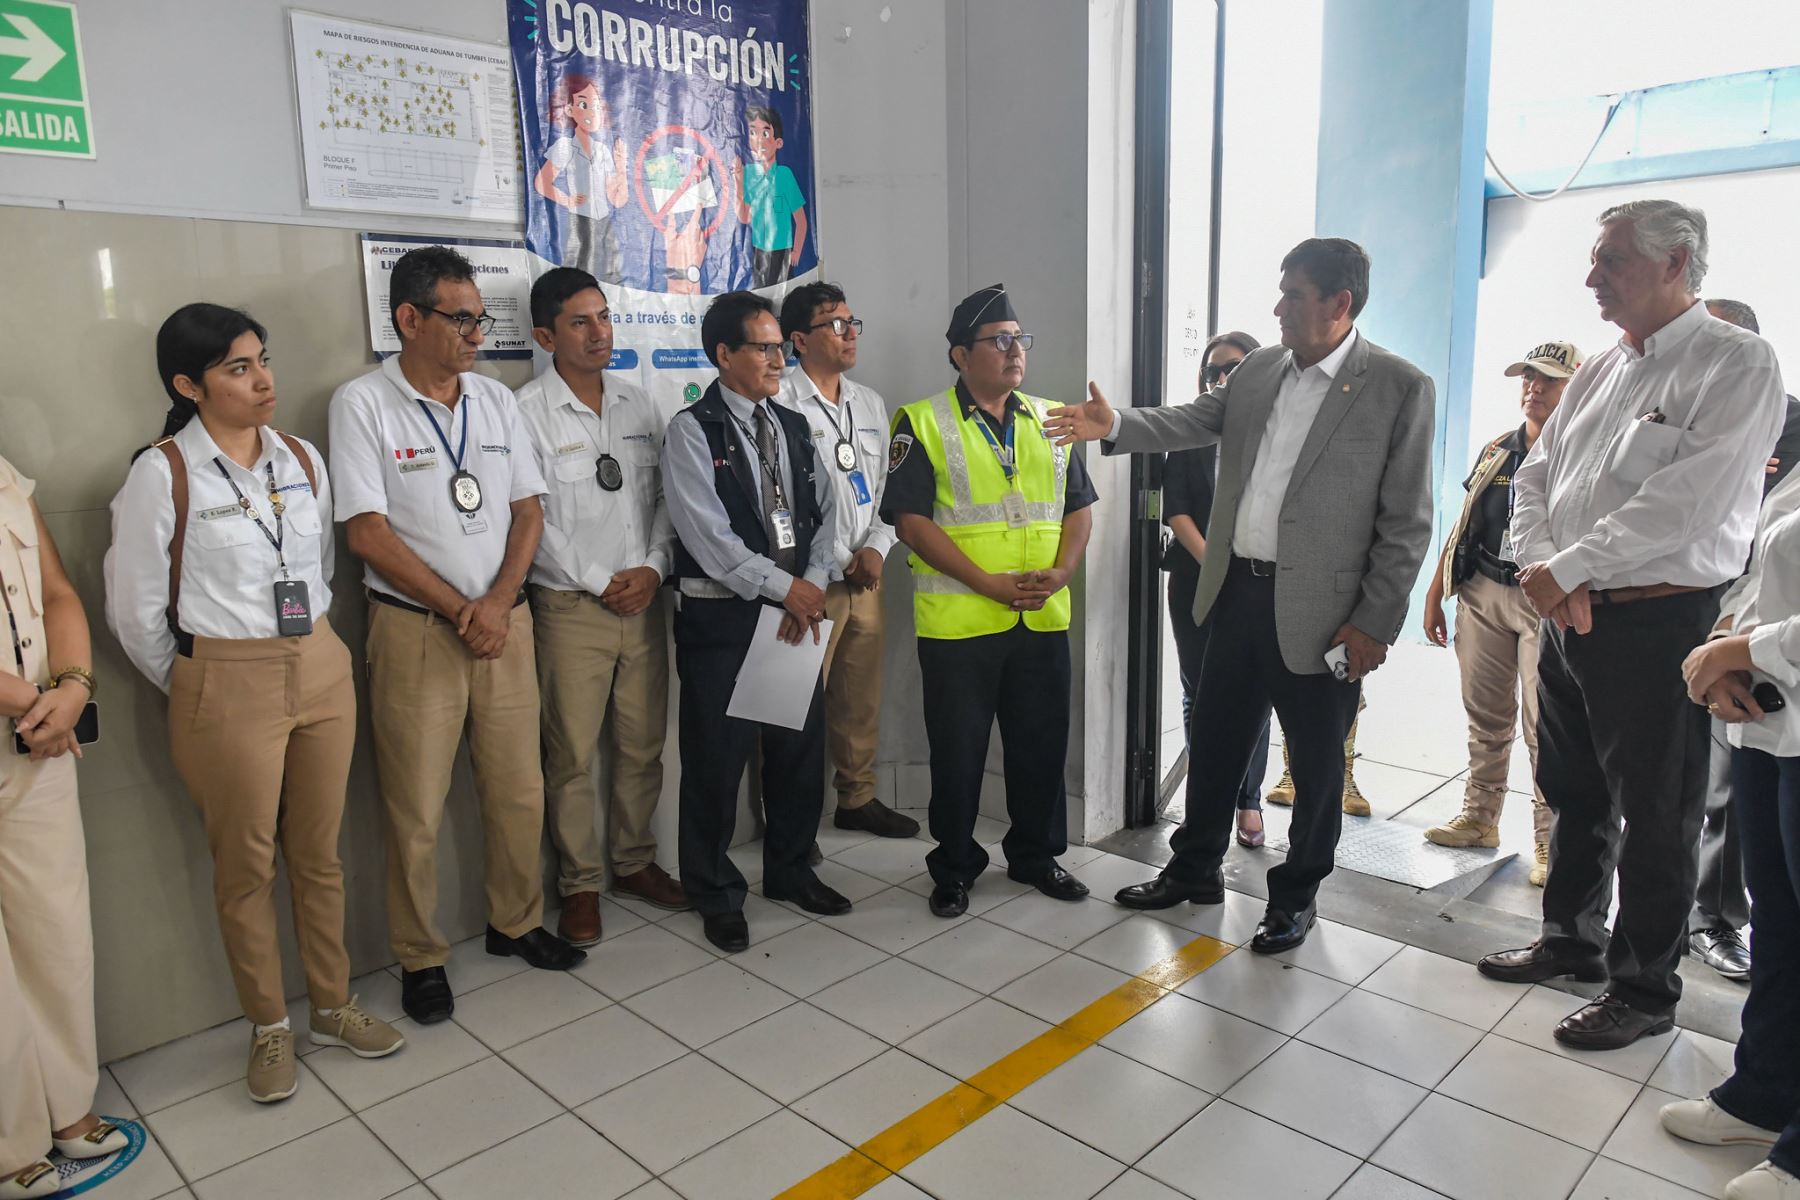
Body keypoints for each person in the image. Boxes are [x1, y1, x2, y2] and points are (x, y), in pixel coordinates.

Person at [1049, 238, 1436, 955]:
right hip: (1236, 595)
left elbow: (1407, 521)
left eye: (1293, 295)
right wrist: (1118, 425)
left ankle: (1295, 898)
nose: (1278, 308)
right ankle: (1194, 869)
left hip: (1324, 616)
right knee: (1217, 741)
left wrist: (1374, 623)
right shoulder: (1260, 369)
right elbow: (1194, 419)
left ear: (1340, 303)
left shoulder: (1397, 386)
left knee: (1316, 766)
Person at [1477, 199, 1785, 1051]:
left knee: (1657, 811)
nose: (1592, 277)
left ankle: (1644, 990)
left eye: (1611, 260)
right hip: (1570, 617)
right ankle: (1570, 940)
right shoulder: (1604, 368)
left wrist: (1569, 569)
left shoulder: (1735, 362)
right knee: (1572, 790)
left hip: (1661, 622)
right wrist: (1547, 572)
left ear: (1675, 262)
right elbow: (1535, 475)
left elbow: (1689, 501)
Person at [107, 304, 406, 1103]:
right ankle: (269, 1024)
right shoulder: (163, 472)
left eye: (262, 360)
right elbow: (134, 612)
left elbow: (318, 571)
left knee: (319, 854)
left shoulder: (300, 458)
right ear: (188, 385)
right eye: (238, 368)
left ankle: (332, 1006)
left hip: (318, 665)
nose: (263, 379)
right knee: (245, 866)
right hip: (224, 681)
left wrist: (301, 655)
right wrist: (200, 684)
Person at [329, 246, 583, 1025]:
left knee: (518, 789)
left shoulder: (495, 400)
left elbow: (528, 510)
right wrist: (459, 609)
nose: (477, 335)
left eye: (481, 319)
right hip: (416, 634)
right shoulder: (363, 404)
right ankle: (421, 956)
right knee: (414, 807)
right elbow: (367, 533)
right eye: (461, 319)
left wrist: (498, 603)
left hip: (504, 627)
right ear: (409, 319)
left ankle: (517, 922)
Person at [883, 284, 1095, 918]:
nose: (1015, 351)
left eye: (1020, 339)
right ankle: (954, 866)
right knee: (958, 752)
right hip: (960, 623)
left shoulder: (1051, 417)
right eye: (999, 340)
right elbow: (910, 521)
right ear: (960, 355)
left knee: (1041, 745)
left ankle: (1036, 855)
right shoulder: (922, 421)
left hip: (1041, 617)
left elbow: (1078, 507)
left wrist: (1064, 570)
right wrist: (987, 583)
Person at [662, 290, 850, 953]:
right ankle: (715, 891)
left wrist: (813, 586)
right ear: (724, 354)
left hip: (794, 613)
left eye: (779, 348)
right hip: (724, 620)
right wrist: (787, 589)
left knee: (798, 751)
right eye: (764, 348)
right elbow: (708, 538)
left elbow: (827, 514)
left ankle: (791, 869)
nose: (778, 360)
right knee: (716, 762)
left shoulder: (791, 425)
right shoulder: (694, 430)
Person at [516, 268, 688, 949]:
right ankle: (580, 884)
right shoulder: (525, 412)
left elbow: (665, 501)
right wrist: (599, 580)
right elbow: (531, 522)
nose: (599, 333)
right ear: (545, 336)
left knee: (643, 744)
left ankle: (635, 860)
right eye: (580, 322)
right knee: (572, 754)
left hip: (642, 603)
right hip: (570, 608)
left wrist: (653, 568)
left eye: (604, 317)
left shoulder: (638, 404)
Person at [1658, 466, 1800, 1200]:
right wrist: (1720, 645)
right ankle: (1764, 1095)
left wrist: (1741, 652)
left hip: (1779, 693)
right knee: (1779, 925)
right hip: (1771, 727)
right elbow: (1759, 571)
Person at [1, 455, 125, 1197]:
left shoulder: (5, 476)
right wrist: (32, 702)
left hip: (37, 741)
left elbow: (56, 592)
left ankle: (68, 1110)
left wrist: (73, 687)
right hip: (30, 717)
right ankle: (9, 1144)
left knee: (56, 929)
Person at [1419, 340, 1581, 885]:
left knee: (1545, 724)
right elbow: (1466, 519)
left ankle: (1549, 840)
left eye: (1549, 379)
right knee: (1485, 714)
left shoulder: (1582, 453)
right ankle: (1480, 817)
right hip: (1483, 591)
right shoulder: (1498, 449)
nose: (1534, 388)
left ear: (1576, 386)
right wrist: (1437, 589)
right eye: (1529, 378)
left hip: (1545, 602)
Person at [776, 283, 918, 844]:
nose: (850, 333)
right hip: (810, 583)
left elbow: (886, 490)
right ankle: (789, 824)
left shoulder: (869, 403)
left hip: (867, 579)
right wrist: (842, 559)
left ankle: (856, 798)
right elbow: (788, 502)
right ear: (798, 340)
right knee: (794, 710)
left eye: (852, 322)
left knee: (860, 700)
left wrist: (877, 548)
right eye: (835, 324)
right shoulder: (780, 402)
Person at [1684, 297, 1800, 981]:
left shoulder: (1791, 425)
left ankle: (1716, 918)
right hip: (1681, 614)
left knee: (1731, 785)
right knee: (1673, 779)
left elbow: (1767, 549)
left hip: (1754, 636)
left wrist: (1733, 643)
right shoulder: (1676, 414)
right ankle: (1663, 914)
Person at [1165, 332, 1272, 847]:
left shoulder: (1274, 434)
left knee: (1255, 694)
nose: (1222, 378)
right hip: (1195, 580)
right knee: (1199, 692)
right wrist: (1214, 564)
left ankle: (1248, 799)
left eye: (1234, 367)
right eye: (1213, 371)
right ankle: (1205, 802)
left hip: (1256, 585)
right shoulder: (1193, 431)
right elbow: (1176, 508)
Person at [533, 73, 628, 283]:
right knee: (579, 281)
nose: (592, 112)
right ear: (569, 110)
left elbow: (617, 200)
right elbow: (541, 182)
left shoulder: (603, 150)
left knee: (612, 280)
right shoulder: (565, 146)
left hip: (605, 223)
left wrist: (622, 168)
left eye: (596, 105)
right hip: (581, 222)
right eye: (584, 105)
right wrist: (566, 200)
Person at [731, 106, 807, 290]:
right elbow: (744, 217)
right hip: (759, 251)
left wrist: (796, 251)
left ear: (778, 142)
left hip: (783, 252)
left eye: (765, 133)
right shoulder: (748, 173)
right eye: (753, 133)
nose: (759, 140)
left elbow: (801, 221)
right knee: (761, 297)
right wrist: (738, 181)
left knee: (784, 296)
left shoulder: (785, 175)